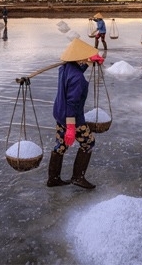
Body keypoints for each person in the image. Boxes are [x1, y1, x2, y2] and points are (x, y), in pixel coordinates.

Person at [47, 38, 104, 189]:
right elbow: (72, 103)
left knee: (61, 145)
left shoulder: (64, 68)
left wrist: (90, 61)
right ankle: (78, 177)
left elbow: (76, 69)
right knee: (88, 143)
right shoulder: (78, 79)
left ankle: (53, 179)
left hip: (59, 113)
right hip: (72, 117)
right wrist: (72, 127)